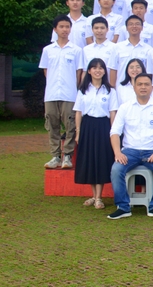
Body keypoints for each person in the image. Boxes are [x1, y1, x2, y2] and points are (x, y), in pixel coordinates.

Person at [107, 74, 153, 219]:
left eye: (146, 84)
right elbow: (115, 131)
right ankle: (123, 207)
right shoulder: (125, 107)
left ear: (152, 88)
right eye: (140, 84)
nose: (143, 87)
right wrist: (117, 153)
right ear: (134, 87)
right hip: (130, 151)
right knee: (116, 169)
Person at [74, 58, 118, 209]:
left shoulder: (110, 91)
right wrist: (78, 132)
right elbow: (78, 112)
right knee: (89, 160)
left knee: (100, 160)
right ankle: (94, 195)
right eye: (94, 68)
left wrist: (113, 132)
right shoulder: (83, 90)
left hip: (103, 126)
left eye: (100, 68)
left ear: (105, 71)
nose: (97, 71)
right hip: (87, 126)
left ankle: (99, 197)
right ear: (89, 71)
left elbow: (112, 113)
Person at [41, 15, 84, 169]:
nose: (64, 29)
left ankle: (67, 156)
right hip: (51, 94)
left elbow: (79, 72)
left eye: (67, 27)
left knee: (70, 124)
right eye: (61, 27)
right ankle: (55, 156)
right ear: (55, 29)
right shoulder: (47, 50)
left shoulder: (76, 50)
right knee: (52, 124)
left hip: (69, 93)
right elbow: (46, 70)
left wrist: (73, 87)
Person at [110, 15, 152, 88]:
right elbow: (113, 69)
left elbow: (149, 71)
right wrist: (113, 88)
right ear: (126, 28)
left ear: (142, 28)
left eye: (137, 24)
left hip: (142, 88)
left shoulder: (149, 49)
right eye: (131, 24)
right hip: (122, 88)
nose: (134, 26)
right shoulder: (117, 47)